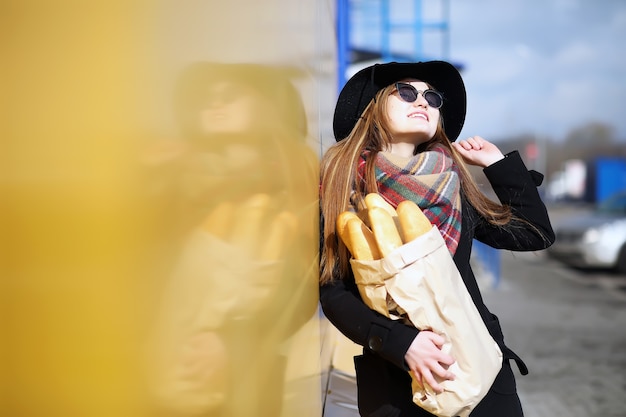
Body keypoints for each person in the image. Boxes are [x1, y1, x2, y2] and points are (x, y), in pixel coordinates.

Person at [319, 61, 555, 417]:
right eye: (407, 92)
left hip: (478, 368)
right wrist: (402, 343)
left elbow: (532, 234)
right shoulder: (342, 185)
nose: (423, 102)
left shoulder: (452, 188)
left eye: (432, 97)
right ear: (374, 104)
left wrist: (496, 164)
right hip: (397, 379)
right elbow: (332, 290)